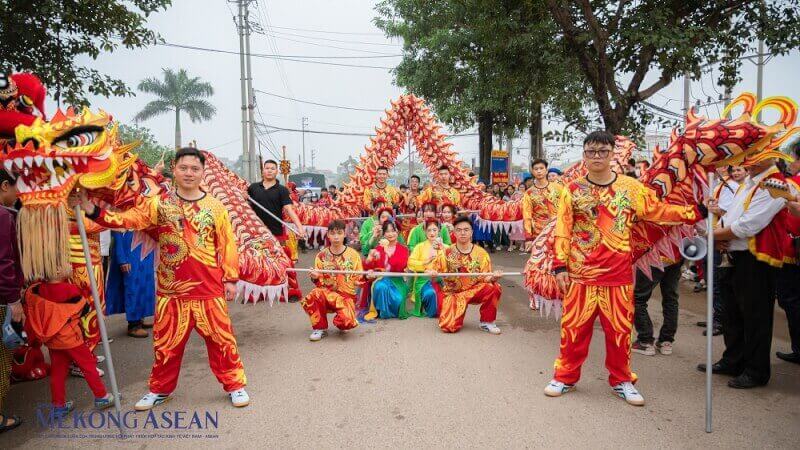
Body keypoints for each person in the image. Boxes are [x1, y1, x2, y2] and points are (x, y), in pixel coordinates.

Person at [75, 147, 249, 410]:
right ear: (174, 169)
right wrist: (92, 210)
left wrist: (231, 278)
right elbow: (127, 220)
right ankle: (160, 389)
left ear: (203, 172)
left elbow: (226, 244)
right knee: (166, 344)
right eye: (184, 168)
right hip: (171, 291)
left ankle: (235, 384)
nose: (189, 173)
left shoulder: (215, 207)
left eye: (195, 169)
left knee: (221, 340)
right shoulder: (158, 204)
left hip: (208, 288)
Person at [544, 131, 702, 406]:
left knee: (619, 332)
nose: (596, 156)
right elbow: (563, 228)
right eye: (591, 151)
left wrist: (696, 211)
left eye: (602, 151)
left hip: (617, 276)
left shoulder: (631, 188)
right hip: (580, 275)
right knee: (573, 330)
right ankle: (565, 376)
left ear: (611, 155)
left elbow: (659, 212)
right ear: (584, 155)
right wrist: (560, 266)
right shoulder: (572, 190)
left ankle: (622, 380)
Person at [700, 157, 791, 388]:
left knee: (755, 316)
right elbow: (733, 216)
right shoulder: (749, 183)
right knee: (733, 314)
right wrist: (720, 232)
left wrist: (714, 236)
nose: (745, 160)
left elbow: (748, 225)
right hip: (735, 255)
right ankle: (734, 360)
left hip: (756, 260)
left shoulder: (774, 185)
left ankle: (756, 370)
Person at [25, 279, 114, 416]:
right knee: (88, 365)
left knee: (58, 372)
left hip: (52, 338)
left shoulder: (35, 290)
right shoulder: (68, 288)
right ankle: (102, 396)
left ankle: (58, 405)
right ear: (59, 268)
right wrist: (85, 291)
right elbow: (85, 309)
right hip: (71, 337)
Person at [428, 216, 502, 334]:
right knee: (448, 327)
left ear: (472, 232)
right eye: (459, 230)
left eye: (466, 230)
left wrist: (493, 277)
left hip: (474, 290)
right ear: (454, 233)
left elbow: (485, 277)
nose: (462, 233)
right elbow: (433, 271)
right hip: (454, 293)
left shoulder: (481, 253)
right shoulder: (446, 252)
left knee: (494, 287)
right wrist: (432, 274)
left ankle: (487, 322)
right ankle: (454, 313)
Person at [248, 160, 306, 302]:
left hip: (276, 231)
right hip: (256, 232)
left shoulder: (282, 190)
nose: (269, 170)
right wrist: (243, 197)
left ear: (276, 171)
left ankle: (291, 291)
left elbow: (288, 209)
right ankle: (256, 293)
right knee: (256, 262)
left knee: (283, 261)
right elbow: (245, 205)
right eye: (267, 168)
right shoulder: (253, 188)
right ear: (263, 170)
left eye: (272, 168)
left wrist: (299, 227)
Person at [699, 165, 746, 336]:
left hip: (720, 238)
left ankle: (719, 320)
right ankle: (714, 316)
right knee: (710, 279)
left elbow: (727, 212)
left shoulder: (730, 186)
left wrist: (712, 209)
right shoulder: (717, 184)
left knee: (717, 282)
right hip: (711, 236)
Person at [302, 220, 362, 341]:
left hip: (346, 296)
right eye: (332, 233)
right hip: (327, 294)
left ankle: (343, 318)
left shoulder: (353, 255)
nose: (336, 236)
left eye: (339, 233)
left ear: (344, 234)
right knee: (315, 293)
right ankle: (320, 327)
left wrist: (368, 277)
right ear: (328, 235)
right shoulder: (321, 256)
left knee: (347, 323)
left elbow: (358, 280)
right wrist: (315, 277)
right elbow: (319, 283)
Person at [0, 168, 23, 433]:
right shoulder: (4, 216)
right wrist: (14, 301)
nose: (18, 195)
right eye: (16, 188)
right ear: (5, 185)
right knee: (3, 357)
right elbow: (4, 262)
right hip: (2, 298)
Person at [775, 143, 800, 364]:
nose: (791, 162)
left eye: (792, 158)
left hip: (792, 249)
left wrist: (790, 201)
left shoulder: (793, 184)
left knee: (790, 298)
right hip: (791, 247)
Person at [105, 230, 155, 338]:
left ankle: (140, 317)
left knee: (144, 286)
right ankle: (134, 324)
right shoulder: (120, 212)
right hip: (129, 250)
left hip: (144, 247)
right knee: (133, 287)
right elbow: (116, 232)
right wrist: (122, 259)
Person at [364, 220, 410, 319]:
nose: (390, 234)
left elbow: (399, 266)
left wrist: (387, 254)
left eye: (393, 231)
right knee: (380, 286)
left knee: (398, 299)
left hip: (397, 280)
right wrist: (369, 259)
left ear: (397, 232)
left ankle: (392, 310)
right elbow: (369, 266)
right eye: (387, 231)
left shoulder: (403, 249)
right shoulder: (378, 249)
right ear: (384, 234)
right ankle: (383, 313)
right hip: (381, 278)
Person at [407, 220, 447, 318]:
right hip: (424, 280)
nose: (432, 233)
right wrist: (425, 266)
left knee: (447, 299)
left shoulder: (446, 247)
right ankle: (427, 308)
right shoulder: (419, 247)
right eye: (429, 230)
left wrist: (441, 251)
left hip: (442, 281)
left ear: (439, 231)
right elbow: (410, 263)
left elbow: (452, 264)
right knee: (430, 293)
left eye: (434, 230)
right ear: (425, 232)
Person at [522, 158, 563, 249]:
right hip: (539, 234)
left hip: (557, 232)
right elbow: (527, 216)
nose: (539, 171)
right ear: (532, 172)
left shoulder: (558, 188)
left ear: (546, 170)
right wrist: (528, 237)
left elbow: (566, 209)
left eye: (541, 168)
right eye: (536, 169)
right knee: (539, 261)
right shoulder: (529, 193)